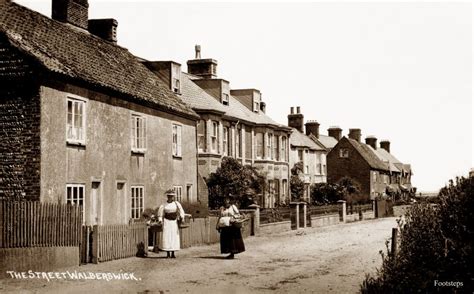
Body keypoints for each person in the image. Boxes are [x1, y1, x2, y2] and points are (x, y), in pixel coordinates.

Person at [157, 190, 185, 258]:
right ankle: (167, 253)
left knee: (174, 236)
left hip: (174, 222)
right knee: (167, 236)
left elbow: (181, 210)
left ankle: (173, 253)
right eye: (169, 196)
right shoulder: (164, 204)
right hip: (167, 222)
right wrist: (160, 220)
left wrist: (182, 217)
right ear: (167, 197)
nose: (171, 198)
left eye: (172, 196)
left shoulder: (176, 204)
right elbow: (160, 213)